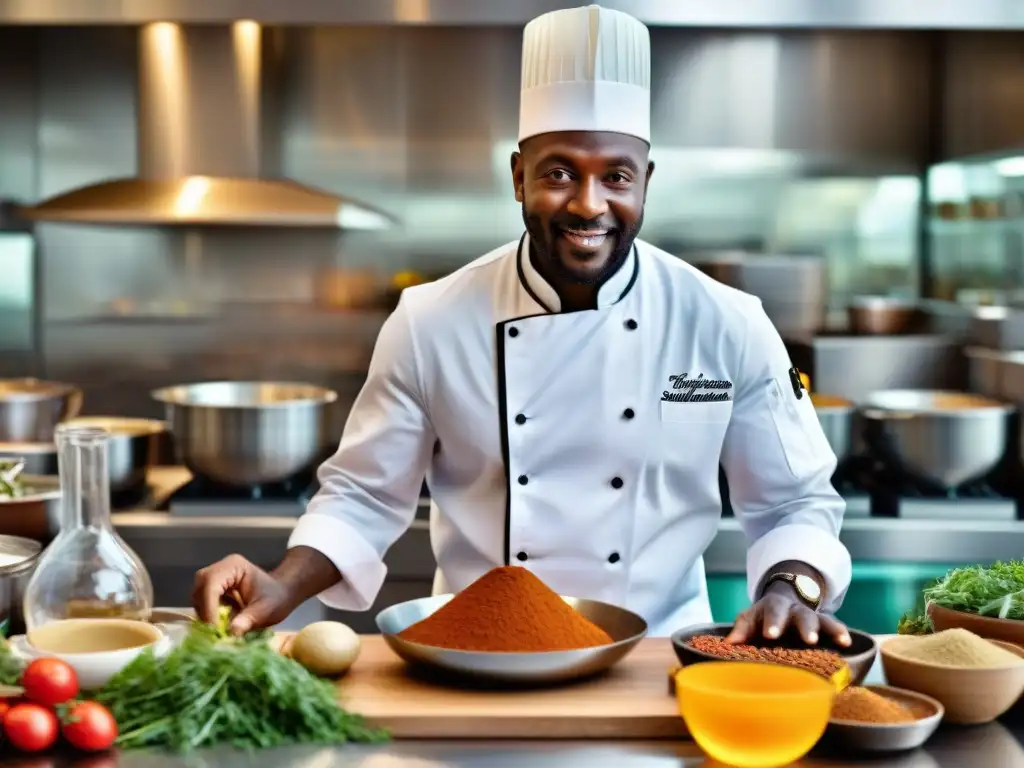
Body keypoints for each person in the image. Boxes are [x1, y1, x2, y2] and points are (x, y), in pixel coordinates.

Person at [193, 4, 852, 646]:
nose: (589, 204)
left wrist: (789, 589)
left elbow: (796, 501)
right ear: (517, 177)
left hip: (658, 661)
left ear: (646, 182)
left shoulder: (727, 323)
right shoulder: (430, 322)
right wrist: (283, 582)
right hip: (479, 653)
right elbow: (363, 495)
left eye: (615, 177)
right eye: (560, 172)